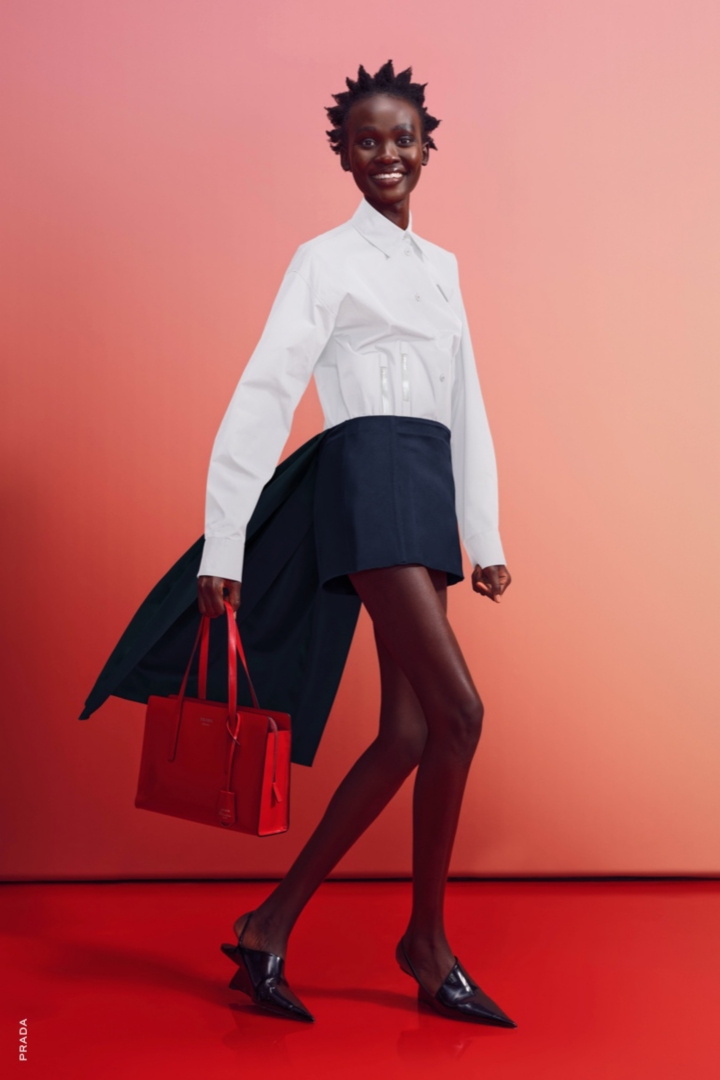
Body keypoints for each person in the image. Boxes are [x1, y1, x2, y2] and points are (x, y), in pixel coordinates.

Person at [197, 60, 515, 1028]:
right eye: (367, 140)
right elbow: (265, 389)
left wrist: (484, 532)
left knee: (414, 731)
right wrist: (224, 546)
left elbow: (468, 402)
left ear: (427, 148)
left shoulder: (444, 267)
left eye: (403, 138)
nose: (387, 154)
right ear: (343, 154)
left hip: (423, 483)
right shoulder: (323, 260)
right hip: (366, 477)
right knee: (461, 712)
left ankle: (267, 927)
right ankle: (425, 942)